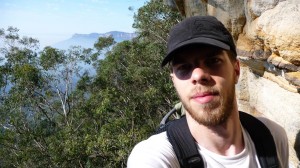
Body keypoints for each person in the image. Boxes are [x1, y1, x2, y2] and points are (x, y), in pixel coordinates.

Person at [127, 16, 289, 168]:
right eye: (183, 68)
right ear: (174, 82)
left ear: (236, 71)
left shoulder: (272, 137)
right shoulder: (154, 158)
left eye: (213, 61)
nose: (198, 75)